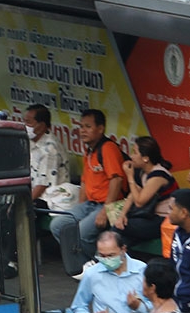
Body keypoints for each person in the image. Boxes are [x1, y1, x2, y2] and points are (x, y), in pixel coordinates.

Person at [50, 109, 124, 277]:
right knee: (58, 226)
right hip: (90, 204)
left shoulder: (108, 148)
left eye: (88, 126)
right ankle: (84, 265)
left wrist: (106, 210)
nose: (82, 130)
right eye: (81, 126)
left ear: (100, 129)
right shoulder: (89, 150)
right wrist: (80, 208)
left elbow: (117, 180)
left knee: (82, 233)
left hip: (114, 205)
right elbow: (84, 181)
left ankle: (104, 267)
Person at [111, 136, 177, 247]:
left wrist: (130, 177)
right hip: (150, 216)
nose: (131, 156)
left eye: (135, 153)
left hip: (163, 220)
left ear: (145, 158)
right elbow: (133, 195)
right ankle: (113, 258)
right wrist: (122, 215)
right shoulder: (144, 172)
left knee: (119, 228)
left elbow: (139, 202)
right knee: (117, 223)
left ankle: (109, 256)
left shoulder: (158, 175)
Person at [25, 104, 67, 203]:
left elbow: (42, 185)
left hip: (48, 199)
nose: (25, 126)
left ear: (42, 125)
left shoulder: (50, 149)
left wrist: (24, 204)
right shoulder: (32, 141)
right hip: (96, 205)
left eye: (29, 122)